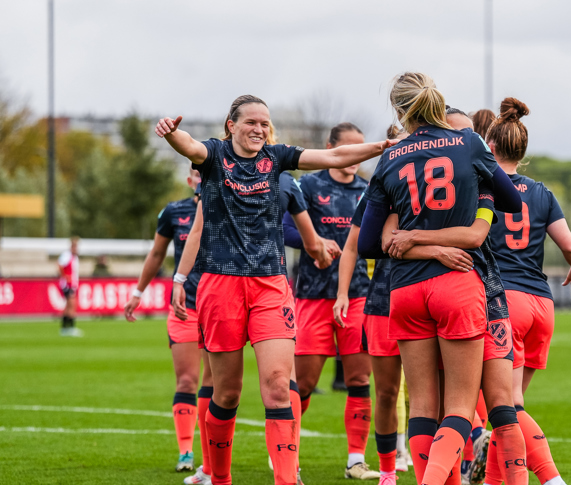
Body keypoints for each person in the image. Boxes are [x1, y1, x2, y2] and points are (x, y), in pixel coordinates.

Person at [155, 94, 397, 485]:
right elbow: (190, 146)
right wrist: (171, 133)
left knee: (279, 389)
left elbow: (335, 156)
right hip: (220, 286)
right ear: (231, 125)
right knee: (226, 393)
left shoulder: (278, 158)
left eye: (264, 123)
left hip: (271, 286)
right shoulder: (214, 155)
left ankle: (287, 478)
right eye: (251, 122)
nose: (259, 129)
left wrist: (383, 147)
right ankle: (219, 477)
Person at [357, 73, 522, 485]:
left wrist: (415, 237)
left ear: (399, 110)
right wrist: (481, 198)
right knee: (460, 408)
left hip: (405, 290)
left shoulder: (390, 157)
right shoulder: (468, 143)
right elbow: (512, 200)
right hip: (457, 282)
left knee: (421, 407)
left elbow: (369, 244)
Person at [479, 98, 571, 485]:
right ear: (522, 151)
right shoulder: (542, 192)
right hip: (542, 304)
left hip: (505, 302)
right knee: (503, 408)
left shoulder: (484, 186)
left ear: (490, 146)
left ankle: (551, 478)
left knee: (506, 405)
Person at [290, 122, 380, 480]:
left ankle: (356, 460)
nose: (356, 156)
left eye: (361, 149)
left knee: (359, 379)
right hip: (312, 296)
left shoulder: (369, 190)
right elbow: (284, 227)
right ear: (331, 149)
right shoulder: (308, 185)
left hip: (358, 295)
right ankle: (287, 453)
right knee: (304, 383)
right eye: (349, 148)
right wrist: (314, 243)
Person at [123, 167, 212, 475]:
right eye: (197, 173)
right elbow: (157, 253)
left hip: (219, 306)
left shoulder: (230, 205)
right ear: (190, 180)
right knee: (187, 380)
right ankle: (186, 451)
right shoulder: (173, 212)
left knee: (217, 384)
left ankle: (212, 456)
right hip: (184, 307)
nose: (202, 177)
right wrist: (138, 292)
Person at [58, 236, 81, 337]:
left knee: (68, 306)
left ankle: (64, 328)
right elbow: (59, 265)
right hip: (68, 284)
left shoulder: (74, 257)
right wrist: (65, 276)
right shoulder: (66, 255)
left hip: (72, 284)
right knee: (72, 305)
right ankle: (71, 327)